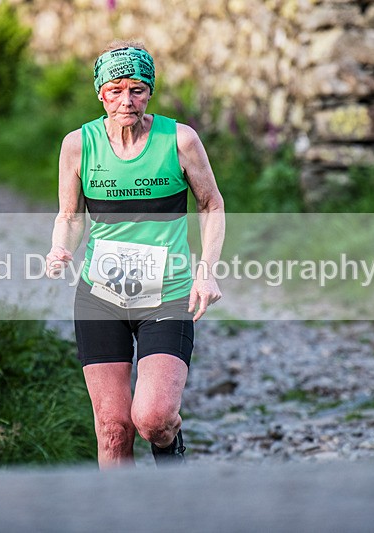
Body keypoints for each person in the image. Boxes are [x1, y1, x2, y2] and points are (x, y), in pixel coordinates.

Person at [45, 41, 225, 468]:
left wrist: (206, 271)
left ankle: (171, 461)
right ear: (100, 93)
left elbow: (211, 204)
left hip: (167, 293)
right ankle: (123, 507)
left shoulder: (179, 140)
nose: (126, 100)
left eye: (137, 90)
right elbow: (69, 216)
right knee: (113, 428)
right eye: (116, 90)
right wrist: (60, 247)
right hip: (101, 297)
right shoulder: (78, 144)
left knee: (153, 418)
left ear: (150, 93)